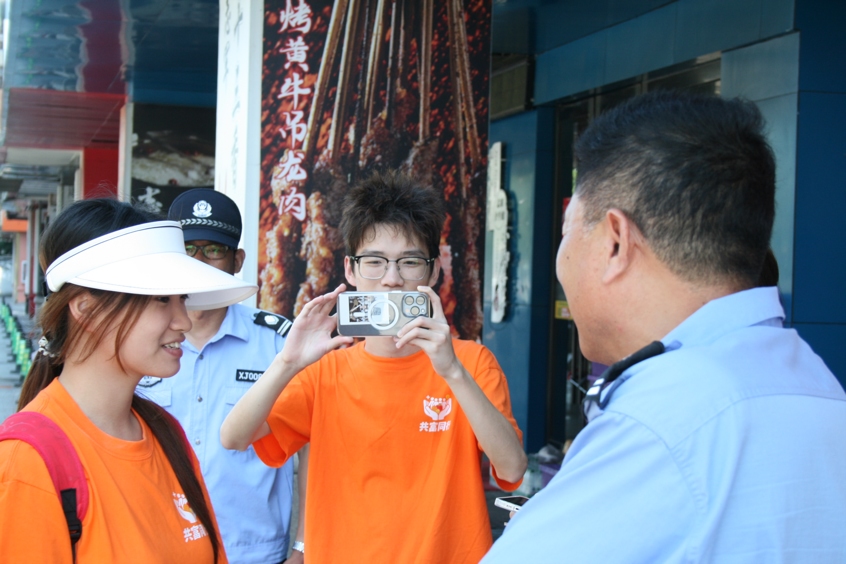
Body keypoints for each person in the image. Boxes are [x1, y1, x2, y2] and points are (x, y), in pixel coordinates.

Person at [482, 91, 846, 563]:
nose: (561, 259)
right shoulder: (820, 388)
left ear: (615, 241)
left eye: (568, 230)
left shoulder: (658, 423)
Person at [220, 171, 528, 563]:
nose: (391, 279)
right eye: (375, 262)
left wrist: (451, 371)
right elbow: (233, 437)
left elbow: (512, 468)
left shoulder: (471, 362)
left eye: (410, 262)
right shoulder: (324, 370)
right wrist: (287, 362)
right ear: (350, 270)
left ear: (434, 270)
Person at [0, 197, 258, 562]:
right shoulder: (27, 460)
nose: (183, 320)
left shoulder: (165, 432)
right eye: (161, 299)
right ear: (87, 309)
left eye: (182, 298)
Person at [137, 188, 306, 563]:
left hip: (251, 551)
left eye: (213, 250)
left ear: (237, 260)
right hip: (157, 546)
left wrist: (303, 546)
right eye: (188, 249)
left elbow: (312, 446)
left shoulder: (278, 344)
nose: (198, 261)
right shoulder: (139, 341)